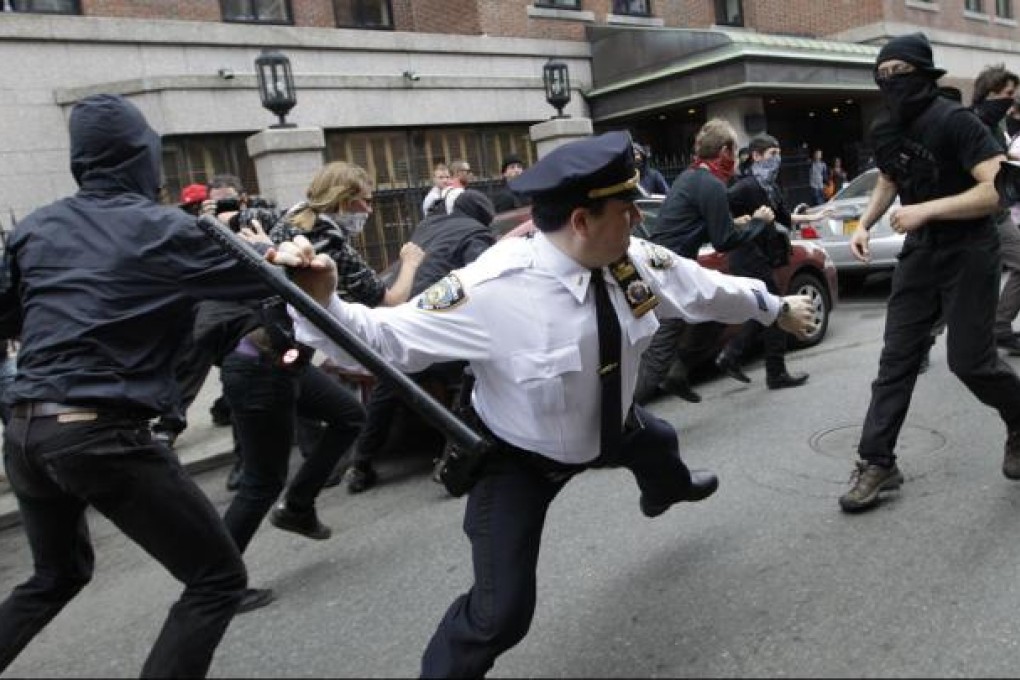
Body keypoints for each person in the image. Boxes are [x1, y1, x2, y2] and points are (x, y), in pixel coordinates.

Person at [270, 130, 816, 678]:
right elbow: (383, 341)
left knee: (661, 445)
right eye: (626, 210)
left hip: (612, 425)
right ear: (581, 222)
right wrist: (324, 304)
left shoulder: (632, 259)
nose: (637, 221)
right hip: (519, 458)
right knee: (500, 614)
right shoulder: (492, 286)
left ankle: (664, 490)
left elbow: (703, 288)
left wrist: (773, 306)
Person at [0, 93, 277, 678]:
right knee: (218, 579)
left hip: (26, 428)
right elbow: (259, 279)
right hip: (98, 432)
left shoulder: (36, 227)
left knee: (57, 574)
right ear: (140, 158)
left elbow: (9, 316)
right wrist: (257, 243)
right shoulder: (162, 229)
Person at [216, 160, 425, 612]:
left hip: (278, 359)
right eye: (365, 200)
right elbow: (388, 300)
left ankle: (299, 505)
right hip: (261, 366)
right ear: (345, 199)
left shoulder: (289, 217)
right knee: (260, 480)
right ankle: (217, 585)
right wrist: (409, 263)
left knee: (350, 416)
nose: (369, 208)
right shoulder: (328, 238)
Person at [840, 33, 1020, 513]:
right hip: (921, 254)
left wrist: (928, 210)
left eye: (899, 72)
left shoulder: (955, 121)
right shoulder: (885, 129)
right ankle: (877, 461)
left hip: (970, 250)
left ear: (922, 73)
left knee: (970, 362)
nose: (889, 82)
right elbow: (889, 177)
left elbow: (997, 190)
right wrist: (865, 225)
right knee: (896, 359)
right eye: (882, 75)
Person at [342, 188, 497, 494]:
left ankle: (360, 465)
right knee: (467, 377)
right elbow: (482, 280)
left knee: (390, 387)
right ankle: (452, 459)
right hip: (441, 318)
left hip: (403, 314)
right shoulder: (476, 234)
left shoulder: (427, 225)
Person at [633, 118, 773, 406]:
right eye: (735, 150)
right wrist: (758, 222)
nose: (737, 158)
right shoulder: (710, 183)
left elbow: (700, 225)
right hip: (665, 272)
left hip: (666, 265)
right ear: (725, 151)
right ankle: (620, 423)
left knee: (719, 308)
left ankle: (679, 371)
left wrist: (735, 222)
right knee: (658, 355)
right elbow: (723, 241)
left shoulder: (693, 176)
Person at [717, 132, 833, 388]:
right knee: (775, 308)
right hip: (746, 256)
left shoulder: (771, 187)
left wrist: (814, 217)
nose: (777, 160)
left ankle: (739, 358)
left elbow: (784, 218)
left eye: (779, 154)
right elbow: (718, 209)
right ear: (756, 156)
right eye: (772, 154)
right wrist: (737, 222)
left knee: (765, 309)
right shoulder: (746, 186)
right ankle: (766, 368)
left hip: (763, 255)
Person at [970, 64, 1020, 355]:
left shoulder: (995, 124)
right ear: (990, 93)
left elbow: (1001, 154)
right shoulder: (970, 122)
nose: (1012, 101)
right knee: (962, 280)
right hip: (979, 214)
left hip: (998, 213)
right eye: (1007, 94)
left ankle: (1000, 328)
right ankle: (920, 339)